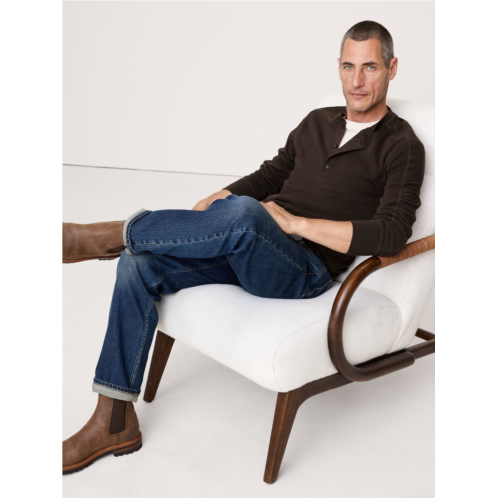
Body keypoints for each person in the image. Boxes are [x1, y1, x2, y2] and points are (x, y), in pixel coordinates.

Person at [62, 20, 425, 475]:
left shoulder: (401, 145)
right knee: (140, 263)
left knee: (248, 214)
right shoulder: (317, 121)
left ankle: (106, 235)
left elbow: (392, 233)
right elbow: (270, 175)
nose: (357, 80)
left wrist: (294, 223)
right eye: (348, 66)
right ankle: (114, 421)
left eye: (369, 67)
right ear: (338, 66)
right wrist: (218, 199)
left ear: (392, 68)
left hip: (302, 269)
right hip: (246, 244)